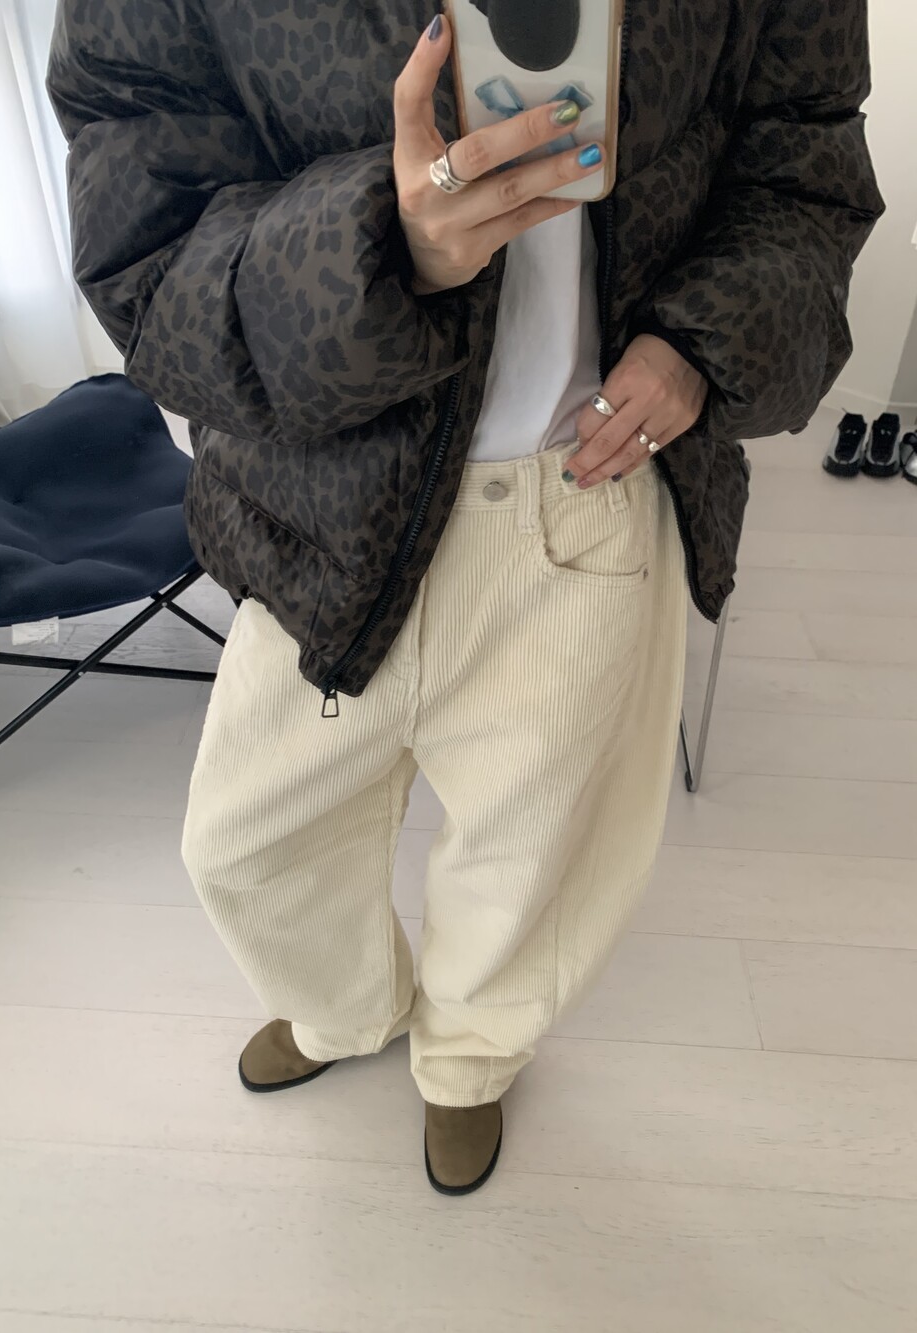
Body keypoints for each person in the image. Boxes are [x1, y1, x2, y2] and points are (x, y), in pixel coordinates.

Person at [48, 0, 882, 1195]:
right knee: (249, 842)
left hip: (591, 480)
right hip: (320, 492)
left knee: (537, 855)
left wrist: (703, 345)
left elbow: (802, 155)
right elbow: (145, 241)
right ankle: (343, 1008)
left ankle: (471, 1060)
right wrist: (382, 249)